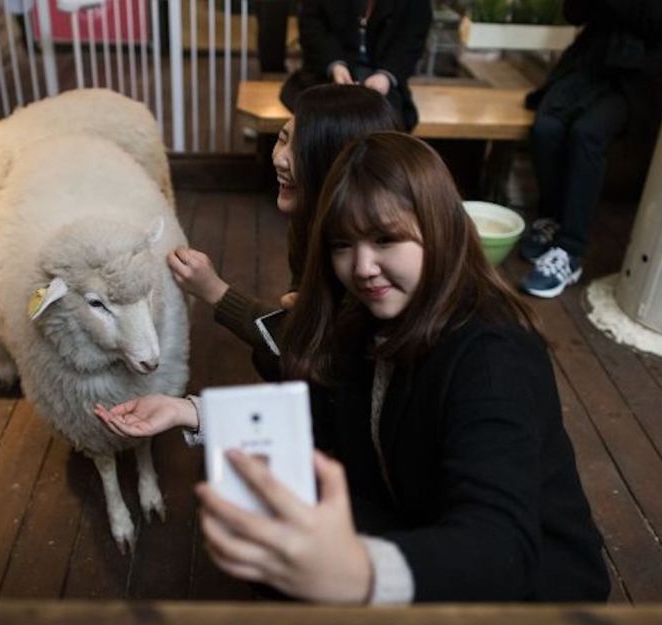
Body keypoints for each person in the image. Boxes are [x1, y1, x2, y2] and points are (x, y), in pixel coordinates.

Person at [97, 132, 610, 603]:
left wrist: (361, 572)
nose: (362, 267)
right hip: (412, 513)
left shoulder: (494, 358)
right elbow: (318, 401)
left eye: (386, 240)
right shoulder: (366, 316)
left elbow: (499, 547)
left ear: (440, 230)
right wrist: (191, 412)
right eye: (343, 245)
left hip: (524, 594)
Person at [170, 84, 400, 377]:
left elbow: (308, 349)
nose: (280, 158)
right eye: (283, 138)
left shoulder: (366, 255)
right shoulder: (307, 222)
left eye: (301, 149)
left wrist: (214, 290)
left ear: (342, 161)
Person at [519, 0, 662, 298]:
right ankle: (550, 217)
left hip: (643, 78)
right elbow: (574, 12)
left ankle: (570, 250)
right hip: (589, 65)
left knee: (587, 133)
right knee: (546, 128)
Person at [279, 0, 432, 132]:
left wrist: (386, 75)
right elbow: (312, 25)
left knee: (382, 122)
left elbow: (413, 34)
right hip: (326, 73)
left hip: (384, 79)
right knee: (324, 121)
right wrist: (335, 65)